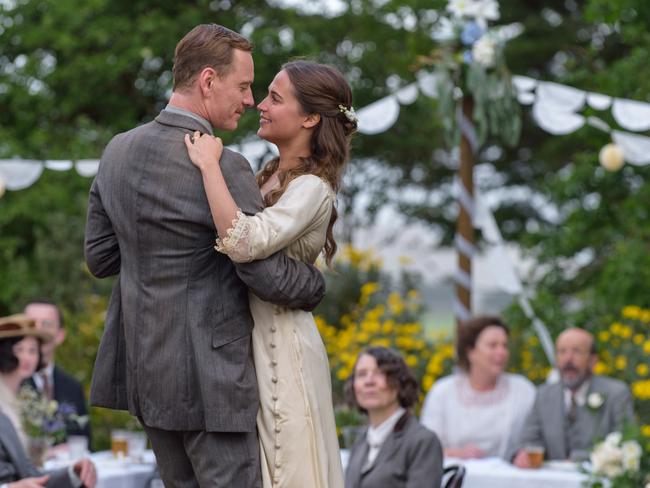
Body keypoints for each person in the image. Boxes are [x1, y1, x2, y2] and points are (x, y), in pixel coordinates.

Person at [84, 24, 326, 487]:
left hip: (145, 370)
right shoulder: (227, 167)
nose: (251, 99)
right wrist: (316, 284)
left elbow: (100, 259)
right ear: (208, 81)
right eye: (242, 86)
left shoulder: (116, 152)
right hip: (213, 382)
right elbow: (268, 277)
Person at [185, 59, 355, 488]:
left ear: (311, 118)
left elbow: (245, 241)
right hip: (250, 341)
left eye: (275, 98)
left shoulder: (313, 188)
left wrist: (209, 166)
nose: (259, 104)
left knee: (287, 471)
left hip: (284, 348)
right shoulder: (268, 176)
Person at [512, 327, 635, 466]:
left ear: (593, 361)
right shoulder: (543, 395)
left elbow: (625, 443)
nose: (568, 359)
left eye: (577, 351)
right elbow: (528, 440)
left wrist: (578, 459)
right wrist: (523, 454)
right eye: (562, 352)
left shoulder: (616, 394)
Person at [0, 314, 96, 488]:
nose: (27, 357)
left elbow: (28, 471)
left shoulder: (24, 399)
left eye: (32, 350)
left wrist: (72, 473)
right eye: (19, 350)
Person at [420, 315, 536, 459]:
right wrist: (458, 454)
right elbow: (425, 448)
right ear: (471, 352)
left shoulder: (523, 390)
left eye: (504, 346)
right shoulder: (443, 392)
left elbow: (536, 439)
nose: (502, 352)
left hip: (509, 480)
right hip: (455, 478)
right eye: (493, 345)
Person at [343, 347, 443, 488]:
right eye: (361, 374)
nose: (369, 381)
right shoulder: (360, 441)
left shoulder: (422, 441)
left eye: (380, 373)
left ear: (400, 382)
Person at [24, 301, 91, 442]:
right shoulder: (7, 384)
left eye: (46, 324)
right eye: (31, 324)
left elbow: (84, 443)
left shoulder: (73, 387)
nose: (38, 331)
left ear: (60, 335)